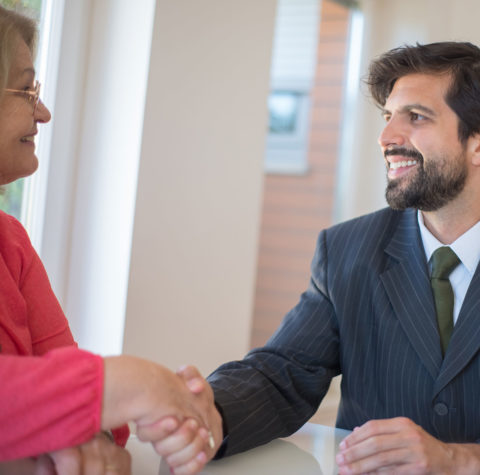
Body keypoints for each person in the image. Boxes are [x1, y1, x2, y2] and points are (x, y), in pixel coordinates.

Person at [155, 41, 480, 474]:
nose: (386, 139)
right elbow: (282, 374)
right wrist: (205, 412)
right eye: (387, 118)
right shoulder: (347, 249)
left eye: (416, 117)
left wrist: (460, 460)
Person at [0, 6, 216, 475]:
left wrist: (86, 439)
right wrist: (132, 385)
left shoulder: (10, 243)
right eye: (26, 89)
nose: (44, 111)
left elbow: (64, 378)